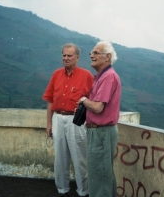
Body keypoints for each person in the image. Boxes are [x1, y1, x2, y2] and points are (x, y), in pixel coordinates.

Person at [43, 43, 93, 197]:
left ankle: (83, 191)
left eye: (69, 55)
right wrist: (49, 123)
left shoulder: (86, 76)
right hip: (58, 118)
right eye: (64, 55)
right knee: (60, 157)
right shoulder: (56, 74)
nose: (66, 58)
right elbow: (50, 100)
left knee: (80, 158)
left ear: (77, 57)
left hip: (76, 120)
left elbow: (94, 100)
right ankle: (62, 190)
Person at [79, 41, 121, 197]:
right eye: (92, 52)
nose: (91, 55)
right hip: (98, 132)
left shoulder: (108, 77)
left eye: (96, 53)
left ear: (107, 57)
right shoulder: (101, 77)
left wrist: (83, 100)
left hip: (101, 133)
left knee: (100, 176)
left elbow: (97, 107)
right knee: (102, 175)